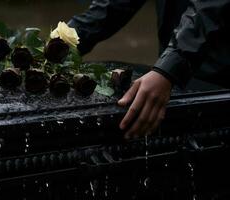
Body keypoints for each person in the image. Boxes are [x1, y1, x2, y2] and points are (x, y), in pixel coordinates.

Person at [68, 0, 230, 139]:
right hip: (174, 70)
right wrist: (66, 41)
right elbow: (114, 5)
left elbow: (210, 7)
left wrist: (168, 68)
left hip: (218, 75)